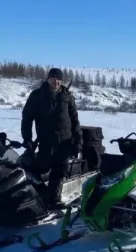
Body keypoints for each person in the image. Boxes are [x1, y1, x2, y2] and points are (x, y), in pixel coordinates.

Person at [21, 68, 83, 210]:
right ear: (48, 78)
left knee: (59, 170)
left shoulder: (67, 96)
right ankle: (37, 195)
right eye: (53, 77)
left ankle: (53, 200)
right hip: (45, 141)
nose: (56, 81)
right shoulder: (37, 95)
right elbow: (27, 119)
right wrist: (27, 139)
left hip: (64, 141)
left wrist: (78, 141)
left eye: (59, 78)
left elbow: (74, 120)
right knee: (39, 167)